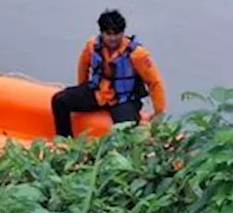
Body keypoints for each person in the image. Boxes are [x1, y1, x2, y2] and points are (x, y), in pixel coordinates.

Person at [51, 9, 167, 137]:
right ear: (101, 32)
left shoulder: (137, 54)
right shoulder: (92, 46)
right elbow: (83, 66)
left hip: (124, 100)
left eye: (117, 33)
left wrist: (159, 112)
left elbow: (154, 82)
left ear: (123, 33)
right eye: (108, 34)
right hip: (99, 93)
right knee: (59, 100)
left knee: (127, 131)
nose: (113, 38)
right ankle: (64, 140)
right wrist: (82, 87)